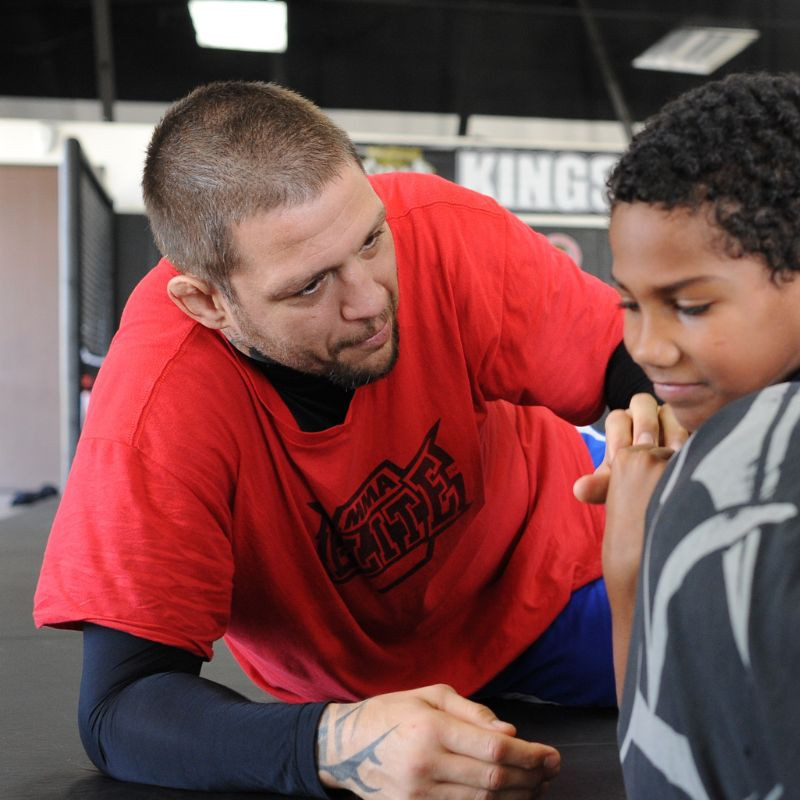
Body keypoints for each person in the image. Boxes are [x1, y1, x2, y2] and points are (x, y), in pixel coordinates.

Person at [33, 81, 673, 799]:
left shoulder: (436, 225)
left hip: (550, 558)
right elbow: (122, 704)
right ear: (208, 302)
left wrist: (653, 418)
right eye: (309, 287)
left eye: (370, 239)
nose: (369, 299)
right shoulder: (157, 407)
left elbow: (628, 362)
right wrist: (335, 745)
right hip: (362, 688)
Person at [599, 71, 800, 799]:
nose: (646, 348)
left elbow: (658, 768)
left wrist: (632, 566)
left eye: (690, 305)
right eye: (629, 303)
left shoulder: (729, 499)